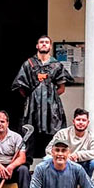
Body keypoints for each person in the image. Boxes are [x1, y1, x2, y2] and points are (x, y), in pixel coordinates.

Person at [12, 34, 72, 162]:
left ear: (50, 46)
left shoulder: (56, 65)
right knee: (29, 134)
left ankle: (52, 163)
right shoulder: (29, 64)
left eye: (46, 42)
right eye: (41, 42)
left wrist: (50, 97)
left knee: (53, 133)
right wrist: (32, 97)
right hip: (32, 107)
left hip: (52, 107)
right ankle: (26, 164)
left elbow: (61, 88)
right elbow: (20, 86)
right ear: (37, 46)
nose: (44, 44)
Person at [49, 108, 94, 176]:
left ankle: (88, 185)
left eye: (83, 120)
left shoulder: (91, 136)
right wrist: (64, 155)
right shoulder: (63, 133)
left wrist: (77, 155)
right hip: (64, 163)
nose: (80, 122)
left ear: (88, 122)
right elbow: (49, 149)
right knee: (47, 159)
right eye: (78, 120)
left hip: (83, 165)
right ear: (73, 121)